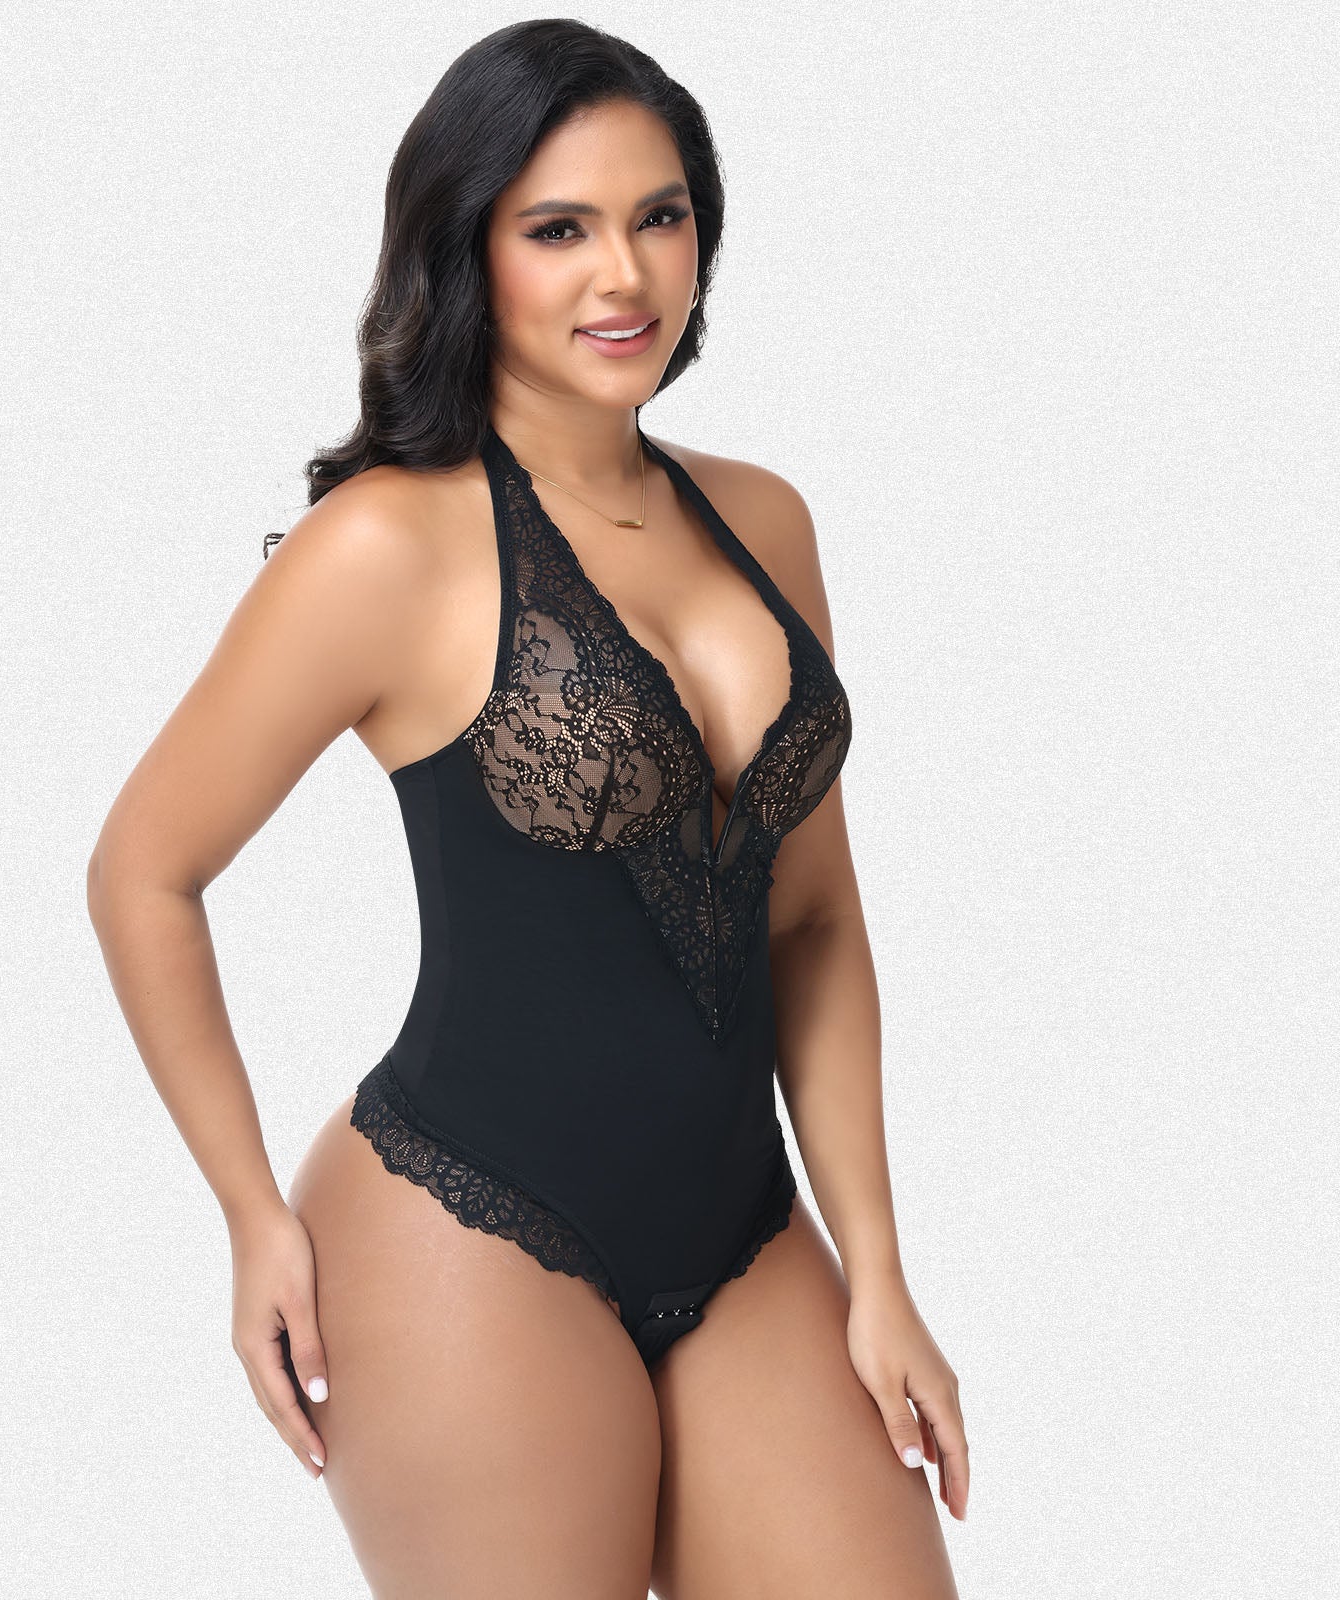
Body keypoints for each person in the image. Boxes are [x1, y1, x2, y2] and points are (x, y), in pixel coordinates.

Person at [88, 19, 967, 1596]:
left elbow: (815, 922)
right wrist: (248, 1214)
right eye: (558, 229)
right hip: (460, 1228)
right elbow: (144, 870)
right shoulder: (385, 547)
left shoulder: (765, 520)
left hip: (747, 1234)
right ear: (466, 249)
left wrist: (882, 1269)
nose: (623, 275)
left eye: (659, 215)